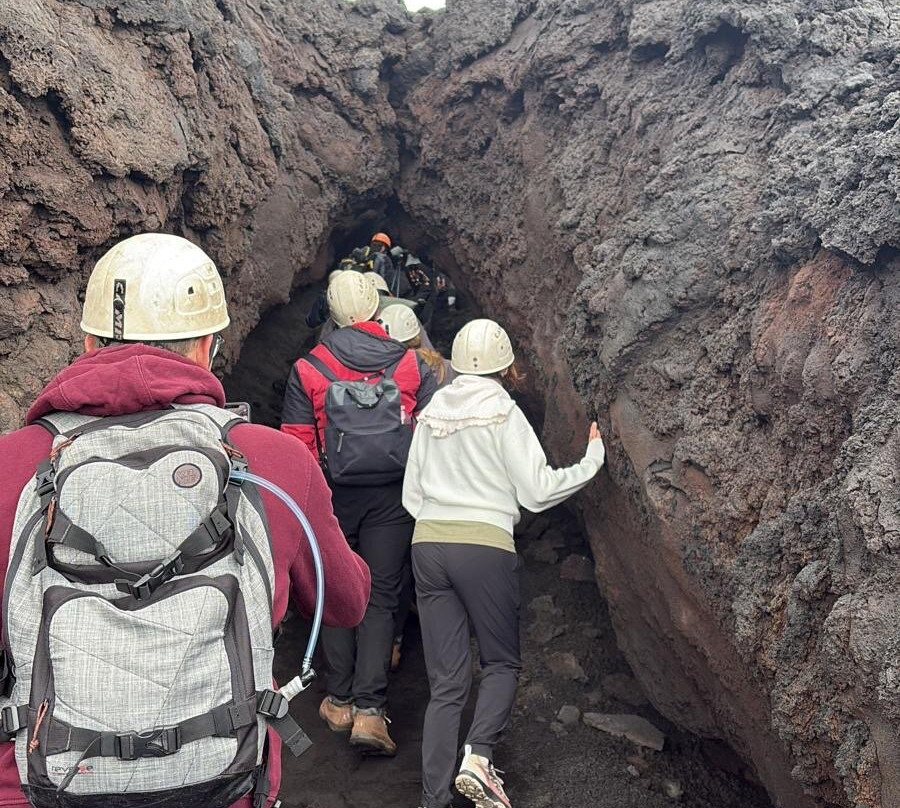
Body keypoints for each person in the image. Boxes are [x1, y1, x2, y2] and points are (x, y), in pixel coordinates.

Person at [0, 233, 372, 808]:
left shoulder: (12, 464)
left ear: (89, 340)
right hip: (223, 783)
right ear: (207, 346)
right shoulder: (269, 460)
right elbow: (345, 603)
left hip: (42, 786)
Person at [402, 319, 605, 808]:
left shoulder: (431, 410)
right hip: (484, 547)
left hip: (426, 545)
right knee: (501, 662)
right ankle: (478, 756)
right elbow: (537, 492)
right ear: (503, 365)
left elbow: (411, 495)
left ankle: (433, 799)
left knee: (446, 683)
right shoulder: (502, 410)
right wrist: (593, 459)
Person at [280, 271, 437, 756]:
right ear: (374, 307)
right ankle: (371, 711)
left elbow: (297, 446)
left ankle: (340, 699)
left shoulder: (309, 367)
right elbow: (433, 437)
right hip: (394, 497)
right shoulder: (410, 363)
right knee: (382, 596)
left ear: (331, 311)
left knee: (332, 589)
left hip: (334, 497)